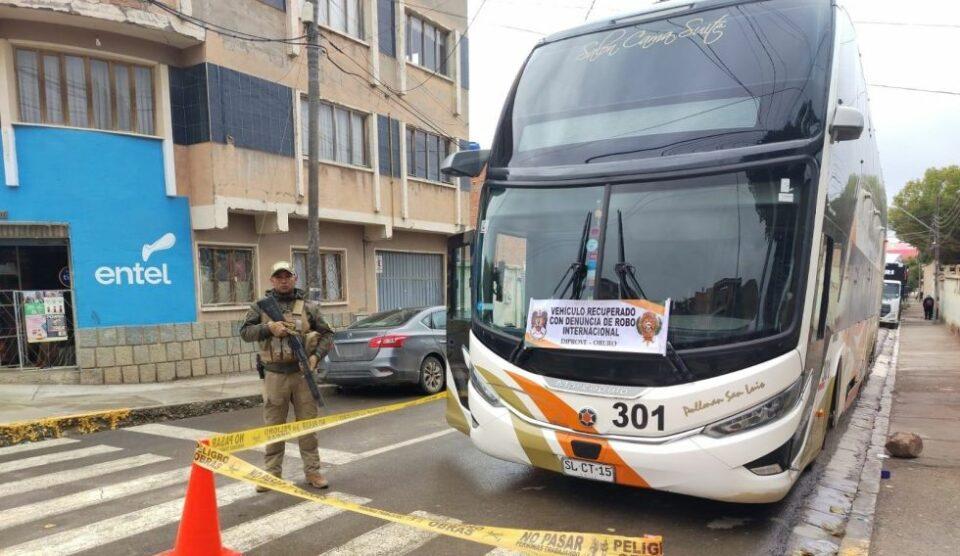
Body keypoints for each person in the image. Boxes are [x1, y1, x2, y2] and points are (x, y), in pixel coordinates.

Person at [240, 261, 334, 492]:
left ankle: (313, 471)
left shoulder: (308, 307)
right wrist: (268, 329)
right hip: (274, 375)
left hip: (302, 374)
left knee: (307, 426)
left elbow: (327, 334)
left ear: (294, 278)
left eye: (287, 276)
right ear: (272, 280)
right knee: (274, 427)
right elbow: (244, 332)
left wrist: (315, 358)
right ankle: (272, 474)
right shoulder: (260, 307)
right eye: (278, 276)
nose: (283, 280)